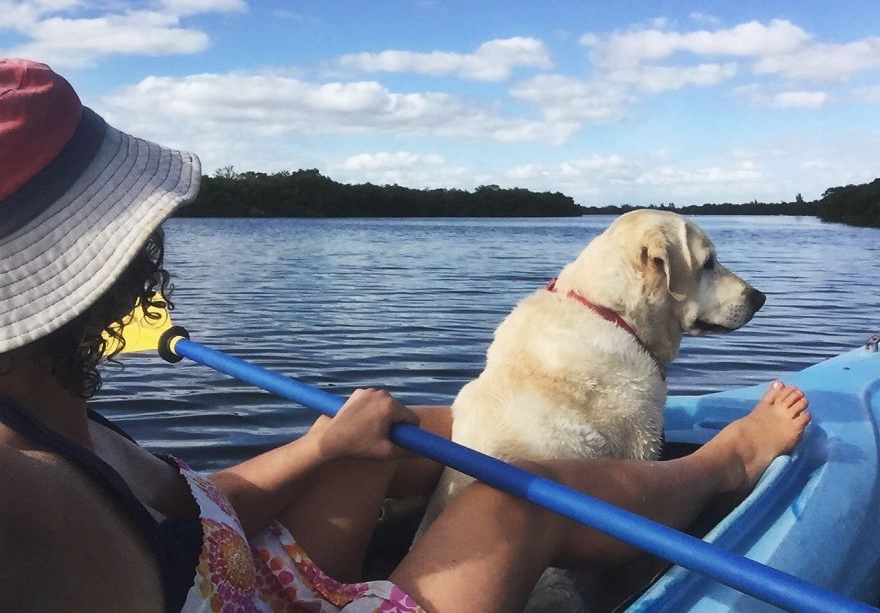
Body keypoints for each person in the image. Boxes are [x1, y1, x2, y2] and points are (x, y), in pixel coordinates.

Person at [0, 58, 811, 613]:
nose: (160, 241)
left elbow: (189, 509)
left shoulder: (50, 404)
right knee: (510, 497)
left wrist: (324, 447)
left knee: (391, 429)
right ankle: (724, 462)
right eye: (144, 230)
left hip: (236, 582)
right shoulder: (21, 485)